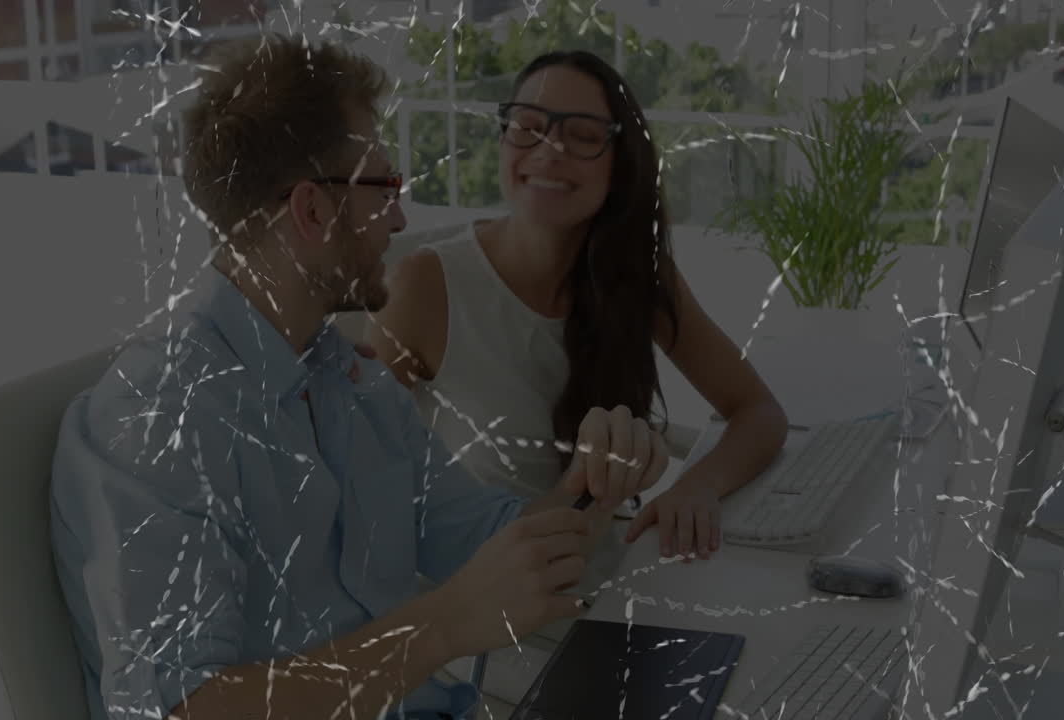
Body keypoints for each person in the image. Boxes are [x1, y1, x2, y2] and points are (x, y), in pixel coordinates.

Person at [49, 35, 668, 720]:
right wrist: (443, 627)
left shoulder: (356, 386)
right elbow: (184, 707)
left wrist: (595, 479)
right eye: (383, 187)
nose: (400, 219)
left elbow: (501, 549)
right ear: (312, 211)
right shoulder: (158, 418)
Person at [361, 49, 790, 701]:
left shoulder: (631, 274)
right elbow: (361, 499)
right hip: (499, 630)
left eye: (582, 136)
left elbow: (757, 411)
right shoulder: (426, 286)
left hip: (619, 585)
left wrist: (696, 488)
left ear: (619, 166)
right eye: (526, 126)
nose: (547, 150)